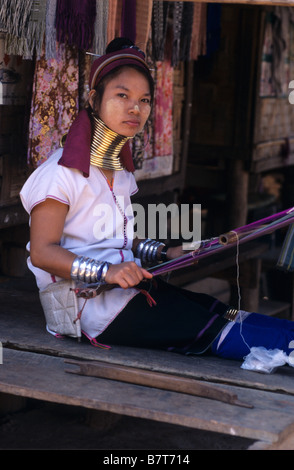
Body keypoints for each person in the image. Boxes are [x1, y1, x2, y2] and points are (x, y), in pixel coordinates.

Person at [20, 37, 294, 361]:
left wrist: (167, 252)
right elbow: (42, 252)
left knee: (223, 313)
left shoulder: (118, 172)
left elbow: (117, 237)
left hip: (124, 294)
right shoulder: (60, 173)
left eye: (145, 100)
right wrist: (108, 272)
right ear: (94, 99)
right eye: (122, 95)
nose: (135, 108)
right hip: (87, 310)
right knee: (213, 330)